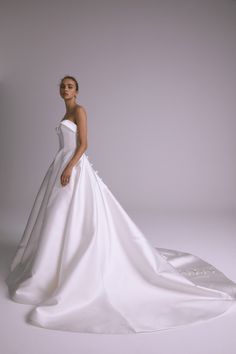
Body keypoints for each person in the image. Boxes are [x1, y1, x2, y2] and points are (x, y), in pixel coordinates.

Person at [6, 75, 236, 334]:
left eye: (69, 86)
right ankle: (54, 266)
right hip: (59, 166)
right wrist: (63, 165)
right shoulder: (65, 113)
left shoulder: (80, 111)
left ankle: (76, 264)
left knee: (72, 215)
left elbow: (84, 144)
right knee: (56, 218)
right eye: (62, 86)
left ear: (77, 91)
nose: (65, 89)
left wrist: (70, 167)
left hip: (73, 168)